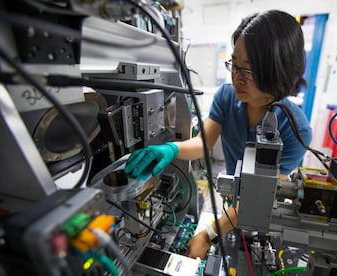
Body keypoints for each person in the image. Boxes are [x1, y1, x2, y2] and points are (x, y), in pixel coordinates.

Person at [125, 10, 312, 259]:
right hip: (233, 202)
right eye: (234, 65)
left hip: (256, 212)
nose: (237, 78)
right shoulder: (227, 96)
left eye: (249, 70)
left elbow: (257, 199)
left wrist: (207, 234)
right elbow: (204, 142)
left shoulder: (295, 130)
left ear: (278, 70)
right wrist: (171, 149)